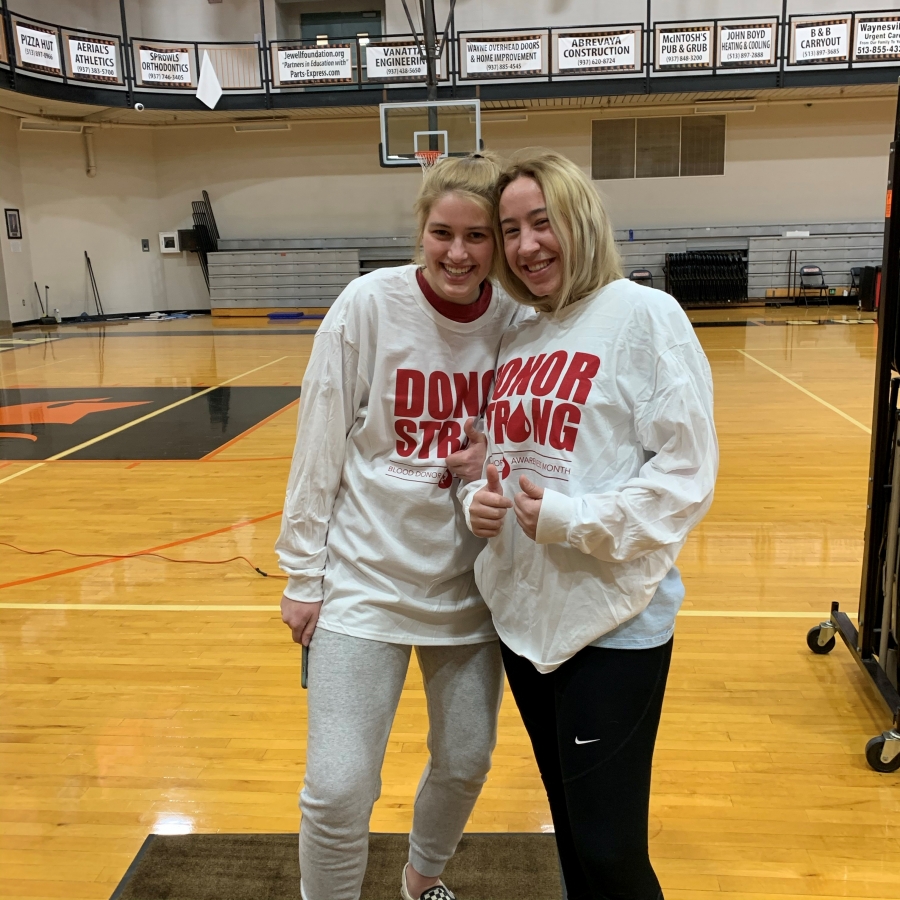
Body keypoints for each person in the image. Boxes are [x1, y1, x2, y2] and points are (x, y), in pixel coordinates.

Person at [463, 149, 718, 900]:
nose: (525, 245)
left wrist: (571, 519)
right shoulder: (520, 331)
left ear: (581, 219)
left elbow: (684, 479)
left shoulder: (644, 315)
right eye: (509, 230)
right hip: (525, 619)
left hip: (611, 625)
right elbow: (502, 458)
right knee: (572, 836)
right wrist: (476, 496)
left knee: (609, 851)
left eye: (543, 223)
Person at [275, 153, 523, 900]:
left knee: (467, 760)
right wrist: (301, 573)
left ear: (498, 244)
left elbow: (532, 446)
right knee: (338, 787)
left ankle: (421, 881)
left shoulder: (516, 320)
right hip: (364, 581)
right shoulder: (367, 306)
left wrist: (489, 467)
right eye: (442, 232)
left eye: (477, 236)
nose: (457, 253)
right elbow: (317, 446)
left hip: (471, 588)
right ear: (420, 229)